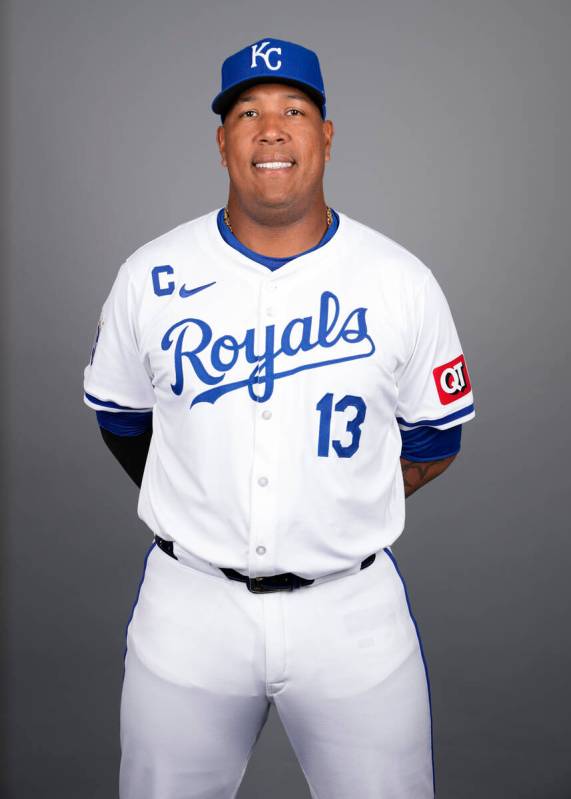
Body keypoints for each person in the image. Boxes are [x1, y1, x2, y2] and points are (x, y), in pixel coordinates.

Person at [83, 37, 475, 799]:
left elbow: (436, 436)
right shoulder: (150, 275)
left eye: (294, 110)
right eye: (248, 112)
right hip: (189, 607)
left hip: (352, 612)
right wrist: (201, 490)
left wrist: (339, 505)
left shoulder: (399, 279)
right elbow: (121, 418)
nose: (271, 129)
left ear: (325, 136)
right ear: (222, 139)